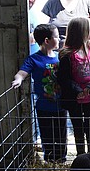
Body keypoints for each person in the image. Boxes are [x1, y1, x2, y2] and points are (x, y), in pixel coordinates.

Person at [11, 24, 67, 163]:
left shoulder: (61, 56)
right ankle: (49, 160)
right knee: (47, 135)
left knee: (61, 135)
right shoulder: (34, 59)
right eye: (56, 36)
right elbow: (22, 72)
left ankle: (61, 160)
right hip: (44, 106)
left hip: (61, 105)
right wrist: (18, 80)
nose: (59, 39)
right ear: (47, 40)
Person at [57, 17, 90, 156]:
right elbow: (63, 78)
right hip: (74, 98)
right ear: (81, 32)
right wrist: (78, 90)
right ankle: (81, 158)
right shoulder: (66, 54)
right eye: (89, 28)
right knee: (78, 128)